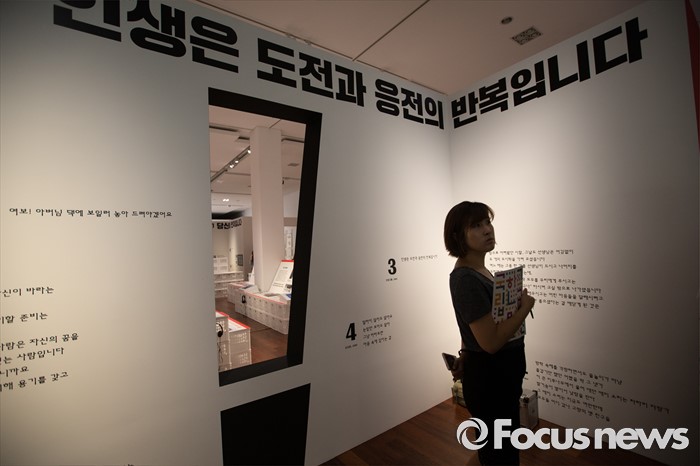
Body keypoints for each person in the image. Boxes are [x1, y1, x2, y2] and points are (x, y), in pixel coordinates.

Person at [444, 201, 535, 466]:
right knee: (499, 453)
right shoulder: (466, 279)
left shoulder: (479, 271)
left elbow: (472, 327)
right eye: (476, 225)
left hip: (497, 376)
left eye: (487, 222)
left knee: (498, 447)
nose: (487, 230)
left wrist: (464, 352)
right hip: (490, 380)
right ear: (457, 236)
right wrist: (525, 308)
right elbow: (491, 342)